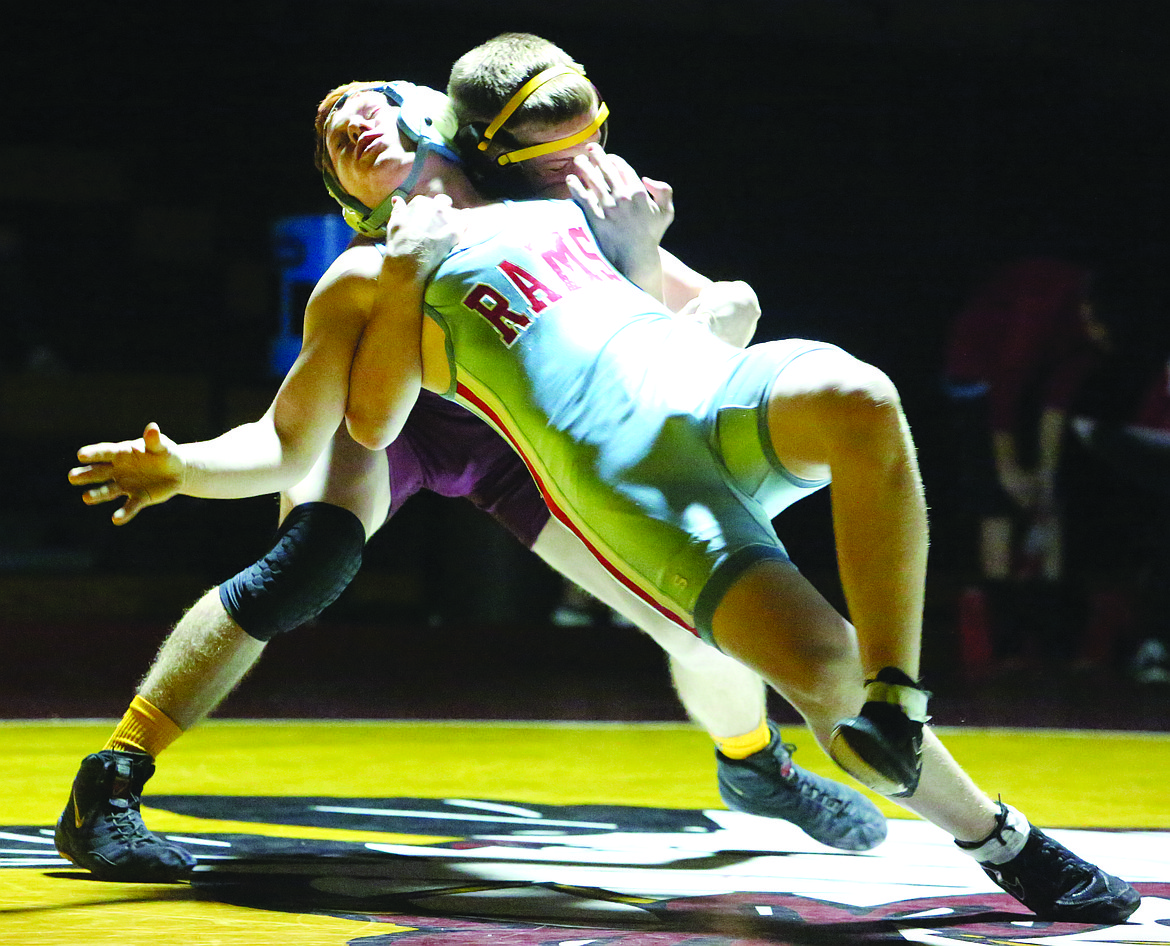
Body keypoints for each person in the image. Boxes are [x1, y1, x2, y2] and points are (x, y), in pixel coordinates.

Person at [63, 46, 1140, 924]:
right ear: (345, 198)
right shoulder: (368, 273)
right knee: (309, 559)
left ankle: (796, 741)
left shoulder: (553, 195)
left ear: (446, 117)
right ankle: (113, 777)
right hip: (492, 427)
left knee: (778, 502)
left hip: (613, 415)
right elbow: (313, 437)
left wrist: (635, 255)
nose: (352, 112)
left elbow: (725, 315)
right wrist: (187, 468)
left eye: (377, 94)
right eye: (332, 132)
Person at [943, 256, 1112, 672]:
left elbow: (1056, 402)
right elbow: (1003, 390)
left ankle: (1048, 638)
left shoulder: (1086, 342)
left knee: (1052, 502)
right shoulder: (1043, 306)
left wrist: (1044, 480)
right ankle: (1005, 641)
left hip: (1026, 382)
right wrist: (1009, 472)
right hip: (977, 372)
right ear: (1089, 314)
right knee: (996, 504)